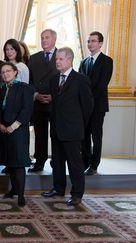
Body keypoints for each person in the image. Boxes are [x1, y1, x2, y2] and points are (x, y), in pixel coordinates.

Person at [41, 47, 93, 206]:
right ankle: (58, 188)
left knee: (74, 163)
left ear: (70, 60)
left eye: (61, 59)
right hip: (56, 128)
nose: (57, 61)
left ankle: (77, 194)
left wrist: (78, 125)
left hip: (73, 129)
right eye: (56, 59)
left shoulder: (81, 80)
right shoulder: (53, 79)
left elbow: (88, 106)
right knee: (56, 162)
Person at [0, 62, 34, 207]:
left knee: (18, 163)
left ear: (15, 72)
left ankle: (21, 195)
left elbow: (27, 110)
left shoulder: (25, 88)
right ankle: (14, 189)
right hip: (4, 130)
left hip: (18, 131)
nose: (5, 74)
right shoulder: (3, 89)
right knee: (10, 162)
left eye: (8, 71)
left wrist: (14, 126)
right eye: (3, 72)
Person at [78, 31, 113, 176]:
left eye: (93, 41)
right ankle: (84, 161)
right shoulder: (84, 62)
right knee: (84, 135)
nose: (90, 44)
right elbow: (79, 84)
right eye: (88, 41)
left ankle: (94, 165)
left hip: (98, 106)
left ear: (100, 43)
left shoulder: (107, 61)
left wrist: (88, 101)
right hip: (84, 107)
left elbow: (101, 84)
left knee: (96, 136)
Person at [28, 29, 60, 173]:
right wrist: (36, 95)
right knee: (40, 135)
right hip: (38, 102)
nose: (44, 40)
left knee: (56, 134)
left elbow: (66, 79)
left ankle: (57, 162)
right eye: (42, 38)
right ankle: (39, 162)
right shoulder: (34, 58)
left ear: (54, 39)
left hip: (56, 103)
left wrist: (54, 95)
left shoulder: (62, 56)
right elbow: (29, 81)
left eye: (47, 38)